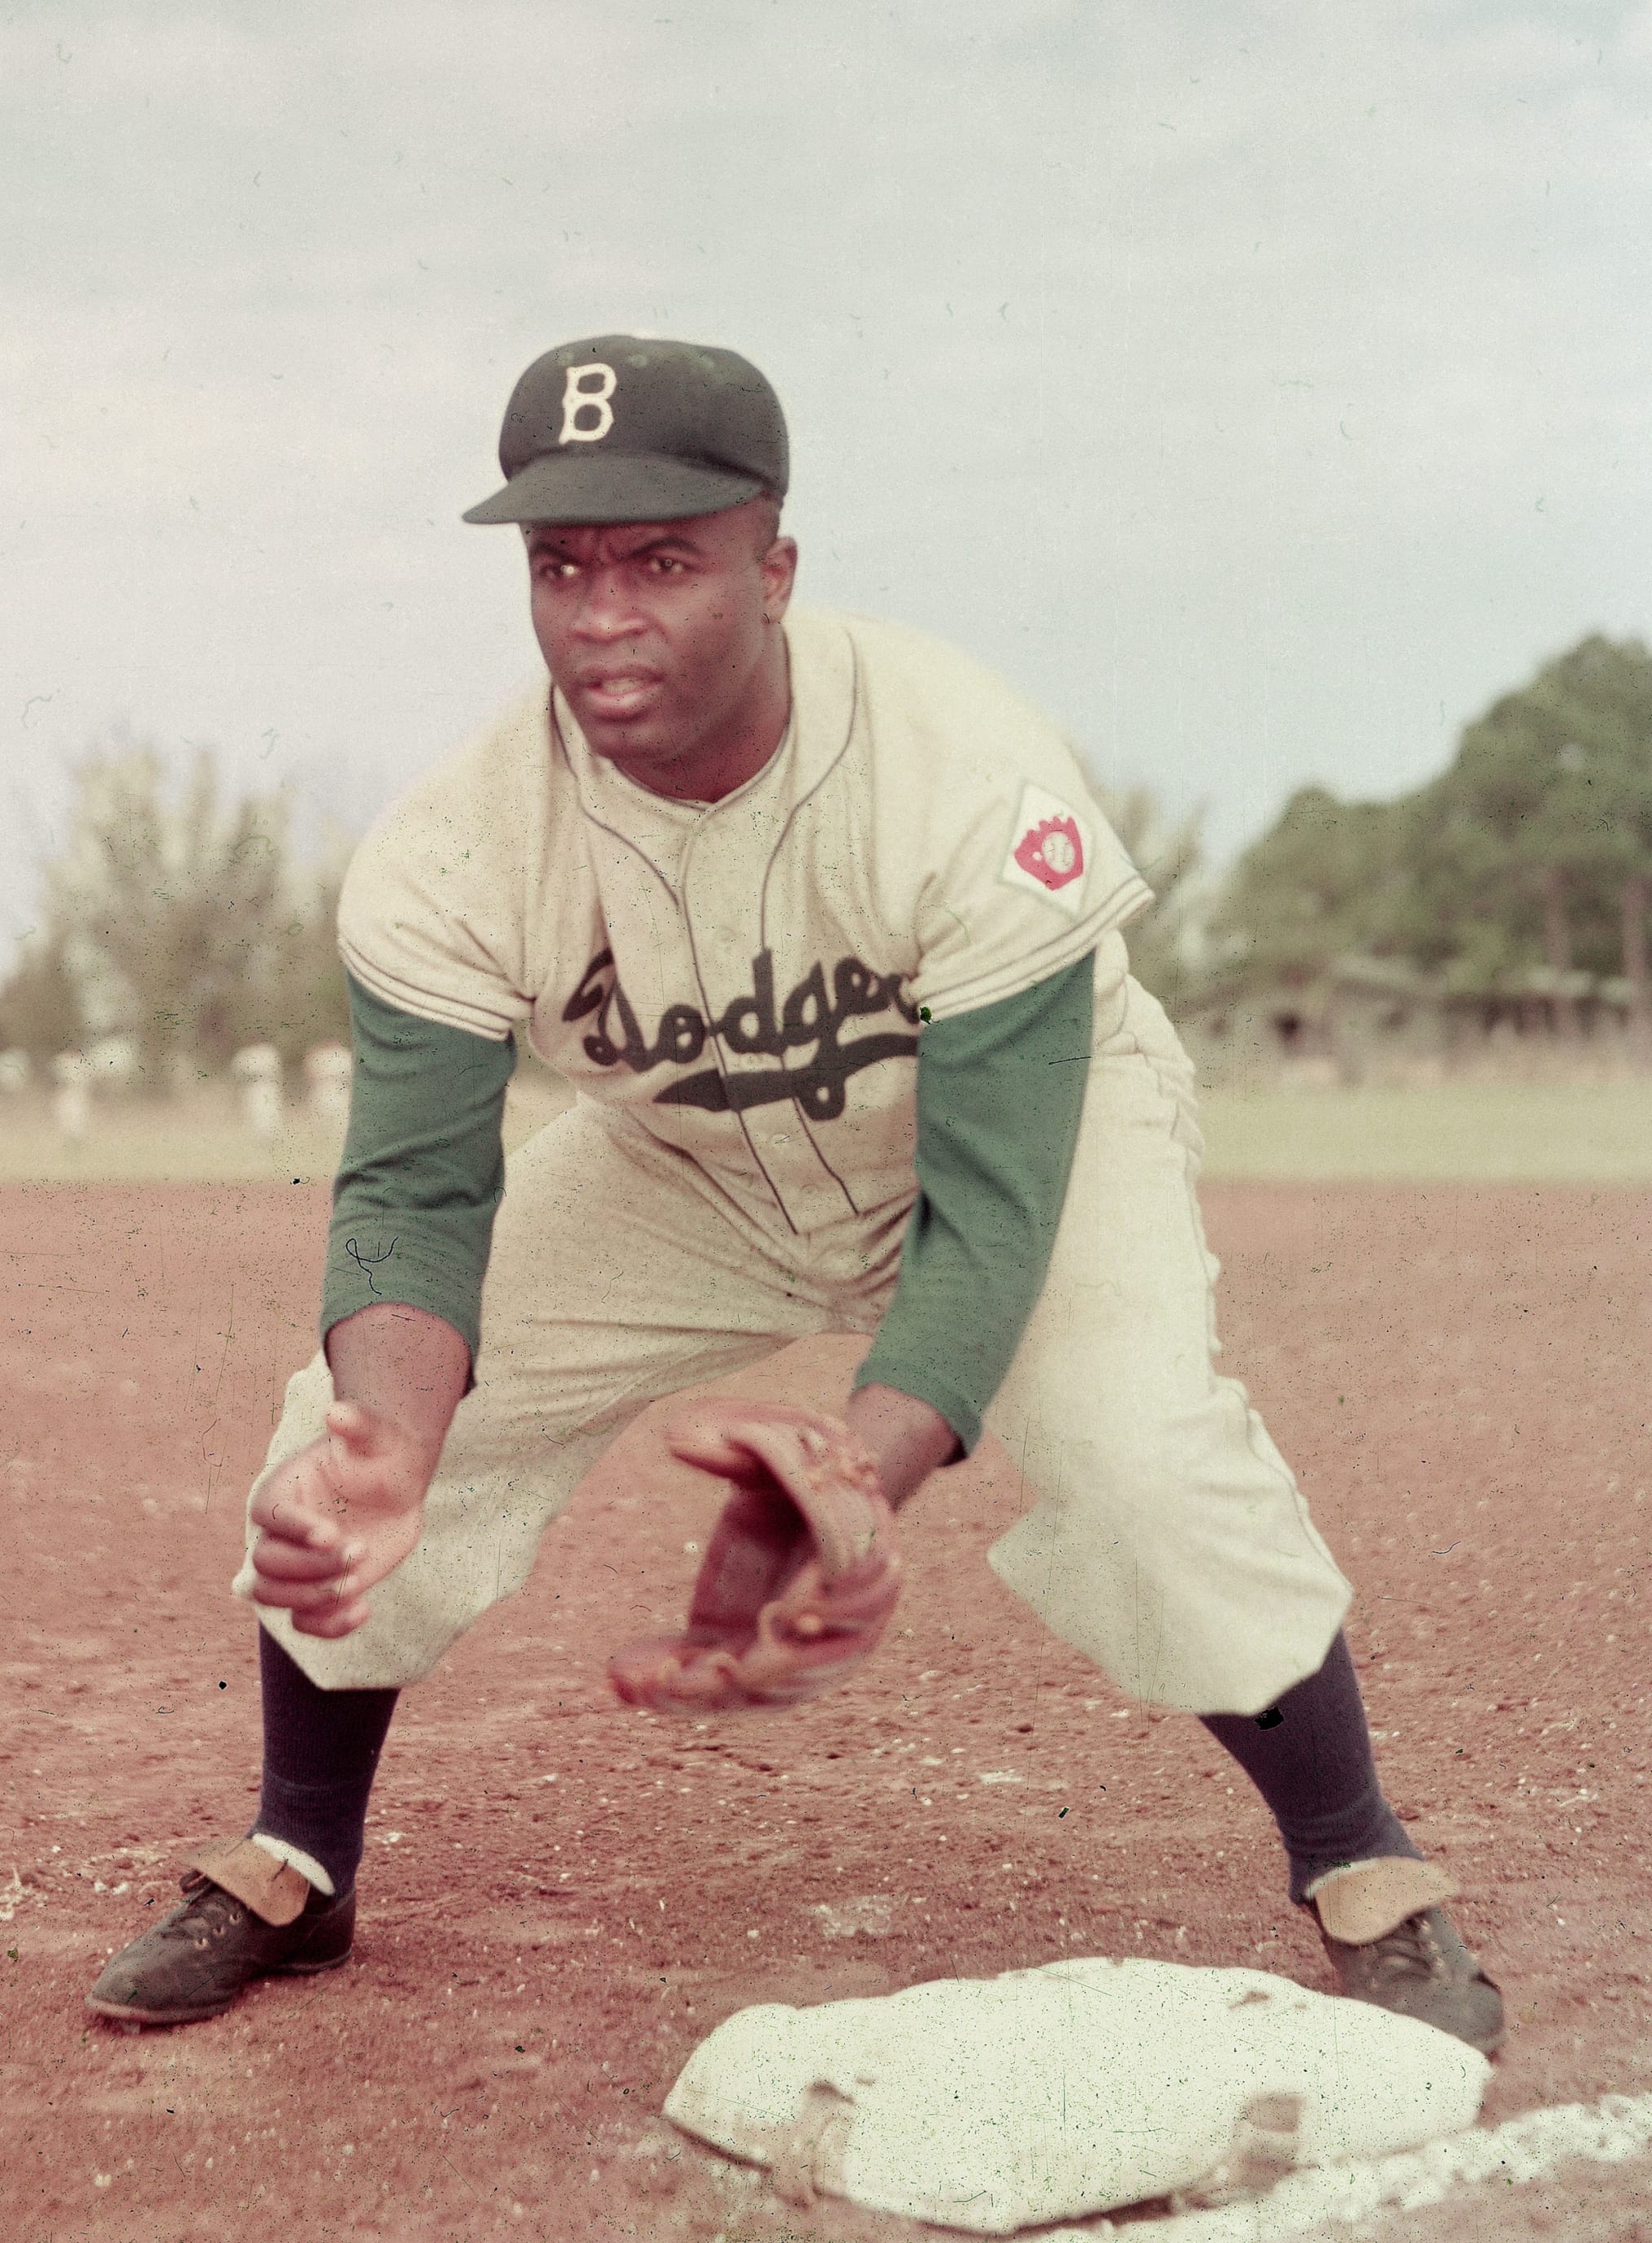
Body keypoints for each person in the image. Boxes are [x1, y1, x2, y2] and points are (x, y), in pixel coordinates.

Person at [87, 336, 1503, 2053]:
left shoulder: (963, 765)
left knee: (1140, 1452)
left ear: (776, 568)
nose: (602, 614)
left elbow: (987, 1214)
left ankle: (1361, 1863)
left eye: (662, 560)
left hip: (1007, 1137)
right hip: (684, 1156)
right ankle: (296, 1851)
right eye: (562, 565)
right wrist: (390, 1435)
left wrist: (855, 1466)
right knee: (347, 1421)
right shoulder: (456, 849)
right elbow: (407, 1190)